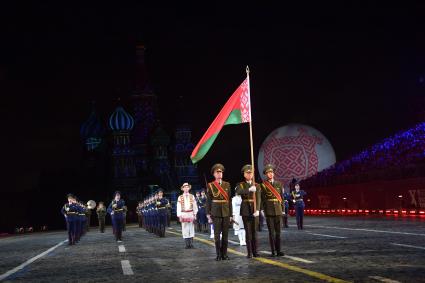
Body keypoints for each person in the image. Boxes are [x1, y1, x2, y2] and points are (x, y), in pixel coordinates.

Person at [206, 163, 232, 261]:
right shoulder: (211, 185)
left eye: (221, 172)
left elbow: (229, 200)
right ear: (214, 174)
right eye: (217, 172)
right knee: (217, 235)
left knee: (225, 235)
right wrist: (208, 214)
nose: (219, 174)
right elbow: (208, 200)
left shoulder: (227, 184)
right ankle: (218, 254)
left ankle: (224, 254)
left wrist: (231, 214)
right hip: (215, 212)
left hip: (225, 212)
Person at [235, 164, 261, 258]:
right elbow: (238, 192)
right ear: (244, 174)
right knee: (248, 232)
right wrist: (249, 189)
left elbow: (258, 198)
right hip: (245, 209)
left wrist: (257, 209)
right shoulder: (241, 184)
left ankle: (255, 251)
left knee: (254, 232)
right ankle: (249, 252)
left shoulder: (257, 185)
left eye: (251, 173)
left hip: (254, 209)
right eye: (248, 173)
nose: (249, 174)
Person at [261, 164, 284, 256]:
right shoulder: (263, 185)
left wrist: (283, 209)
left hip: (278, 210)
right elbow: (262, 199)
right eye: (268, 173)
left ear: (273, 173)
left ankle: (278, 250)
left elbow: (281, 198)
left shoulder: (279, 184)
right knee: (271, 232)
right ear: (266, 174)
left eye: (271, 172)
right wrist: (262, 210)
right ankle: (273, 251)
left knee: (278, 232)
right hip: (269, 211)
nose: (270, 174)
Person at [176, 183, 198, 248]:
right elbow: (178, 207)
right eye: (184, 187)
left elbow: (195, 206)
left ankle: (191, 244)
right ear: (183, 189)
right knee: (185, 228)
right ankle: (187, 244)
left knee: (191, 228)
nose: (186, 188)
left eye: (187, 187)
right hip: (184, 214)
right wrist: (179, 216)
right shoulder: (180, 197)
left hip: (191, 213)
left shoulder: (192, 196)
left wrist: (195, 214)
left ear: (189, 188)